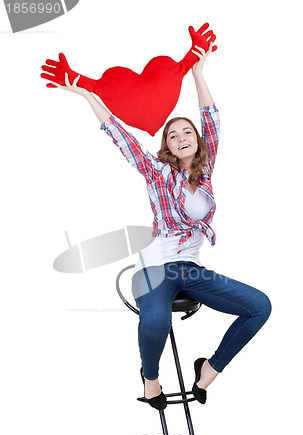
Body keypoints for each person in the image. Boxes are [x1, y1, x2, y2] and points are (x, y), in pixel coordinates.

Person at [53, 43, 271, 410]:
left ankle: (209, 371)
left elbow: (212, 119)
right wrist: (87, 94)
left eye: (187, 132)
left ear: (196, 140)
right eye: (173, 135)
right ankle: (150, 379)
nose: (182, 137)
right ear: (167, 145)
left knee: (259, 307)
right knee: (155, 320)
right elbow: (122, 137)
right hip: (154, 269)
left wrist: (198, 72)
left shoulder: (205, 173)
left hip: (192, 271)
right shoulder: (158, 173)